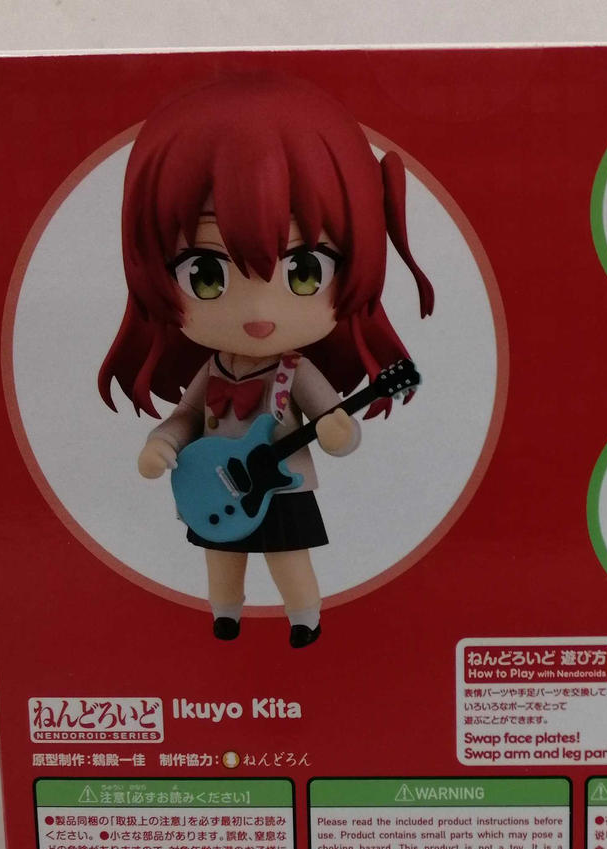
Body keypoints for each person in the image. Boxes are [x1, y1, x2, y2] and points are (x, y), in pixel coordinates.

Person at [99, 73, 433, 647]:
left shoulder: (295, 371)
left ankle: (304, 618)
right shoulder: (214, 369)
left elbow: (333, 424)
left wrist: (338, 431)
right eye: (206, 275)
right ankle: (225, 613)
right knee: (221, 560)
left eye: (303, 272)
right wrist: (163, 441)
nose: (258, 310)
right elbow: (187, 415)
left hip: (284, 487)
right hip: (214, 485)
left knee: (288, 559)